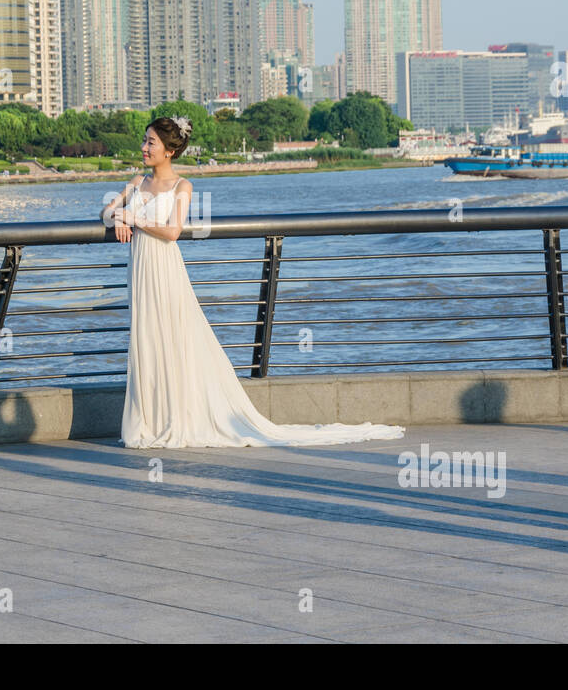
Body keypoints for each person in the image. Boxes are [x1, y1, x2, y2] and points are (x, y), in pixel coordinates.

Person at [100, 115, 405, 449]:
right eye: (144, 141)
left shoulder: (181, 187)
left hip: (165, 272)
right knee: (146, 339)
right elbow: (104, 212)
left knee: (171, 337)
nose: (144, 148)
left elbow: (173, 232)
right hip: (142, 273)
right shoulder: (137, 182)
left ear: (170, 151)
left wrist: (134, 218)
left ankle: (178, 417)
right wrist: (118, 216)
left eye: (151, 143)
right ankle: (151, 420)